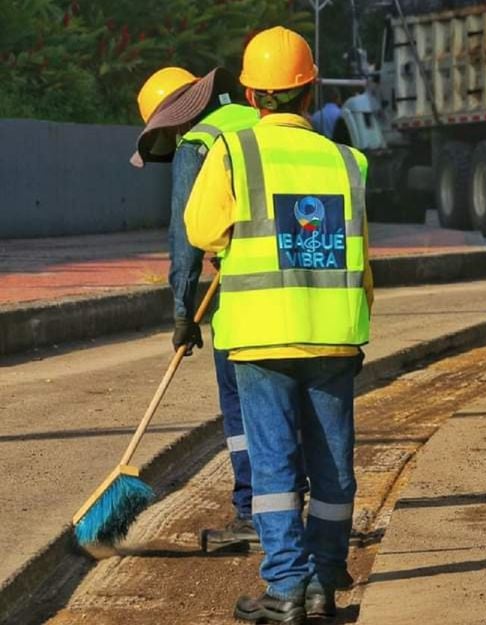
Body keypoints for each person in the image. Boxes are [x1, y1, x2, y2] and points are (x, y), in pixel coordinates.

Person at [185, 26, 373, 624]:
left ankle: (286, 588)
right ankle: (323, 584)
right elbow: (359, 252)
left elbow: (202, 231)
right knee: (333, 465)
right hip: (334, 333)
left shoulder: (234, 151)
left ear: (250, 94)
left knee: (273, 466)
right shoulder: (349, 159)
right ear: (311, 91)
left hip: (260, 336)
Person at [131, 66, 262, 549]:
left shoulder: (200, 144)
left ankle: (251, 512)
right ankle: (292, 511)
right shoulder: (260, 119)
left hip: (246, 301)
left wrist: (183, 310)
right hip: (306, 286)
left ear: (175, 121)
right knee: (289, 413)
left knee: (242, 412)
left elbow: (185, 236)